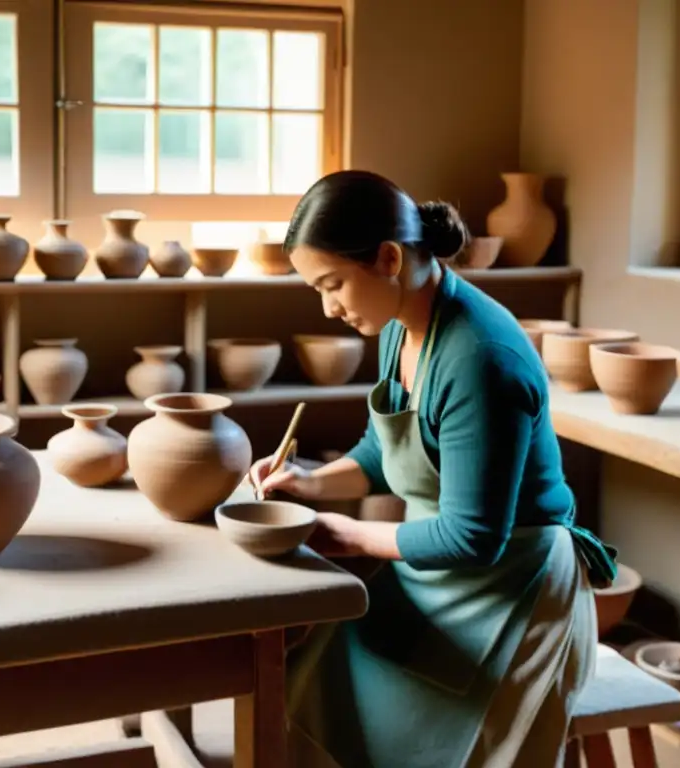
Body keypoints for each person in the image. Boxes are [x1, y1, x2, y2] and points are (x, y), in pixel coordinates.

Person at [249, 170, 618, 768]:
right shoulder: (402, 325)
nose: (329, 307)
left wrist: (338, 534)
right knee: (314, 676)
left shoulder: (478, 357)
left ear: (389, 258)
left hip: (512, 591)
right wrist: (310, 484)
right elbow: (383, 449)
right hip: (436, 579)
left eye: (333, 283)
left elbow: (471, 536)